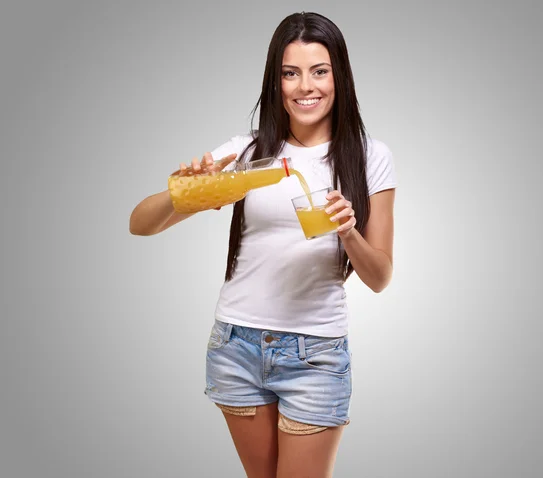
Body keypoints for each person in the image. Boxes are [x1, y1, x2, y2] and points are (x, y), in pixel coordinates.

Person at [129, 11, 396, 478]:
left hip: (316, 354)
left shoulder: (370, 156)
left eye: (319, 71)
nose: (304, 86)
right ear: (276, 82)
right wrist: (185, 190)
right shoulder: (247, 154)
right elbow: (140, 224)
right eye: (290, 73)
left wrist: (348, 231)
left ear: (340, 77)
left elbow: (380, 277)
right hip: (236, 346)